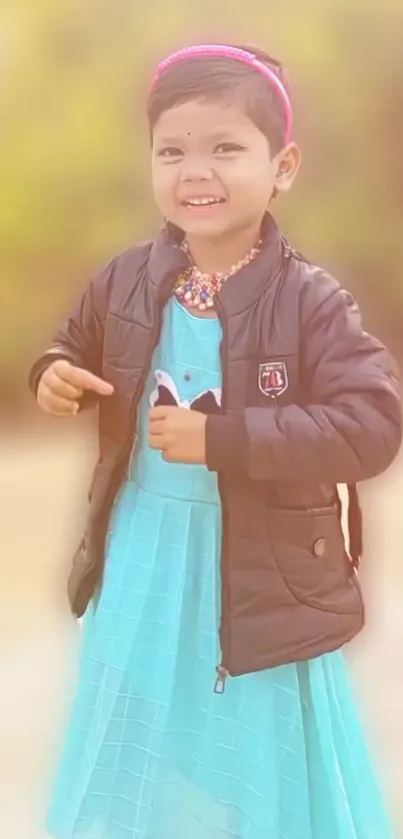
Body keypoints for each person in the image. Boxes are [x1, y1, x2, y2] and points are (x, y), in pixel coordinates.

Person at [29, 43, 401, 839]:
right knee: (137, 731)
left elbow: (371, 426)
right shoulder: (125, 279)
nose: (195, 170)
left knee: (250, 747)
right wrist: (52, 374)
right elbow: (71, 343)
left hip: (257, 570)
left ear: (283, 165)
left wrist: (226, 437)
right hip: (144, 558)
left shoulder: (310, 302)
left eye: (225, 148)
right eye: (173, 151)